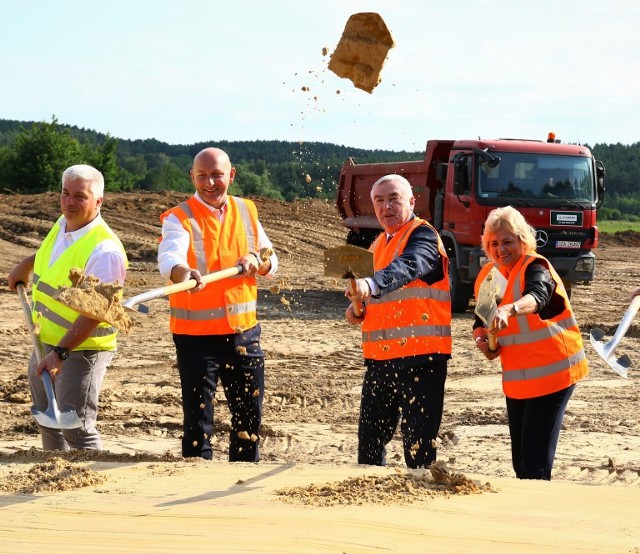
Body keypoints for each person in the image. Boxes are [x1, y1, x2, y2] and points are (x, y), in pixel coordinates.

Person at [157, 147, 277, 462]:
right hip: (196, 338)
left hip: (243, 334)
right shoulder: (178, 217)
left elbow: (270, 256)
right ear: (192, 177)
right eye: (202, 176)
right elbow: (169, 257)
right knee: (198, 423)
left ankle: (241, 479)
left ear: (231, 175)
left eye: (217, 175)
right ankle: (196, 480)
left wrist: (257, 259)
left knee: (248, 419)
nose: (210, 182)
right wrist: (183, 272)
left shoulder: (247, 210)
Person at [8, 164, 128, 450]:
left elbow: (95, 313)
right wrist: (24, 267)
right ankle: (53, 482)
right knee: (48, 419)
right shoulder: (63, 224)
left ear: (98, 201)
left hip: (80, 349)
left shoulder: (105, 251)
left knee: (76, 428)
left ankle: (92, 489)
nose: (69, 202)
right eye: (65, 194)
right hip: (45, 343)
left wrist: (61, 354)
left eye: (80, 196)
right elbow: (49, 254)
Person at [473, 205, 588, 480]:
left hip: (554, 373)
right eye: (494, 243)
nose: (501, 249)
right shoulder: (490, 275)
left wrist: (510, 309)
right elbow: (480, 321)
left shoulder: (536, 266)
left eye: (507, 242)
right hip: (518, 379)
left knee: (534, 464)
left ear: (522, 240)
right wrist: (483, 340)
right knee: (520, 462)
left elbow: (538, 295)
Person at [345, 174, 451, 469]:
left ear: (412, 202)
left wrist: (370, 284)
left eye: (394, 198)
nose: (386, 206)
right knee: (369, 444)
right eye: (379, 200)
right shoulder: (377, 244)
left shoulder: (424, 236)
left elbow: (409, 266)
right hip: (380, 360)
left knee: (418, 447)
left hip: (421, 359)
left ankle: (418, 507)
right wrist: (357, 310)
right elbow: (367, 304)